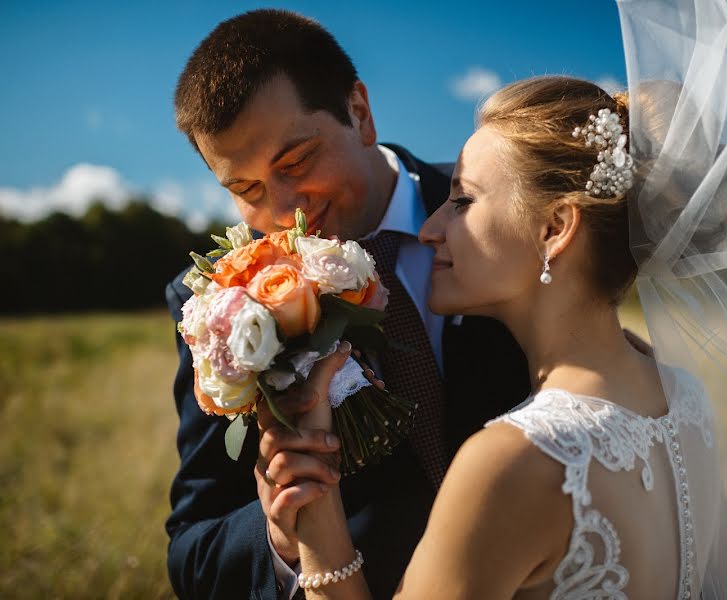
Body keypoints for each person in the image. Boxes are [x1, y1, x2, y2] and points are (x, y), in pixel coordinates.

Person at [265, 75, 727, 598]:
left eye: (462, 200)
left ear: (555, 227)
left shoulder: (512, 462)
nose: (431, 230)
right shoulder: (683, 399)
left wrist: (318, 527)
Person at [164, 9, 534, 599]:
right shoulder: (211, 305)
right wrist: (281, 537)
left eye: (296, 162)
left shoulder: (496, 208)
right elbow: (193, 550)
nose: (285, 211)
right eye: (247, 190)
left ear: (359, 112)